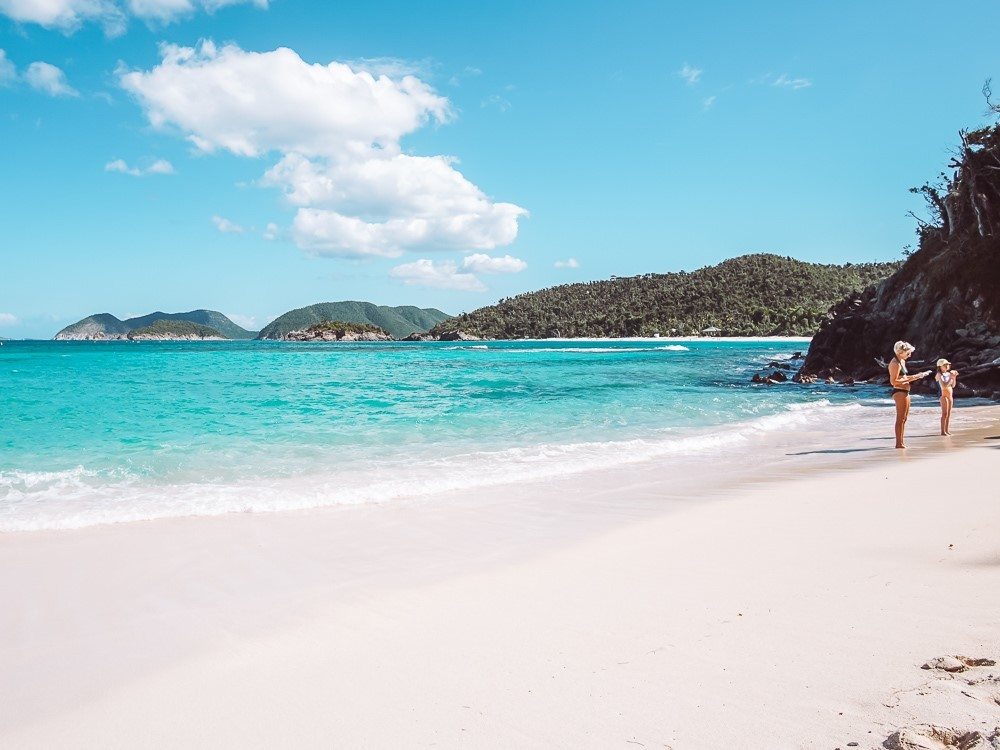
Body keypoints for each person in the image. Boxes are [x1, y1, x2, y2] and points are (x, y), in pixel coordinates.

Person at [888, 341, 931, 449]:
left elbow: (904, 377)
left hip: (905, 391)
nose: (910, 355)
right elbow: (894, 381)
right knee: (900, 419)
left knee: (904, 418)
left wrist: (918, 376)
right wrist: (916, 376)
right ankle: (899, 444)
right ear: (901, 352)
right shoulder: (895, 363)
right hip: (899, 392)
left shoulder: (901, 361)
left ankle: (901, 442)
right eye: (908, 353)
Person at [934, 358, 959, 436]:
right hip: (943, 395)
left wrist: (954, 377)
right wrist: (951, 378)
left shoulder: (948, 374)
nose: (948, 366)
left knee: (948, 414)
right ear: (941, 366)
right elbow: (944, 385)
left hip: (950, 395)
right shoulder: (939, 374)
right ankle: (942, 431)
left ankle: (947, 430)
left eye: (948, 365)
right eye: (946, 365)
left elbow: (953, 385)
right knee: (944, 414)